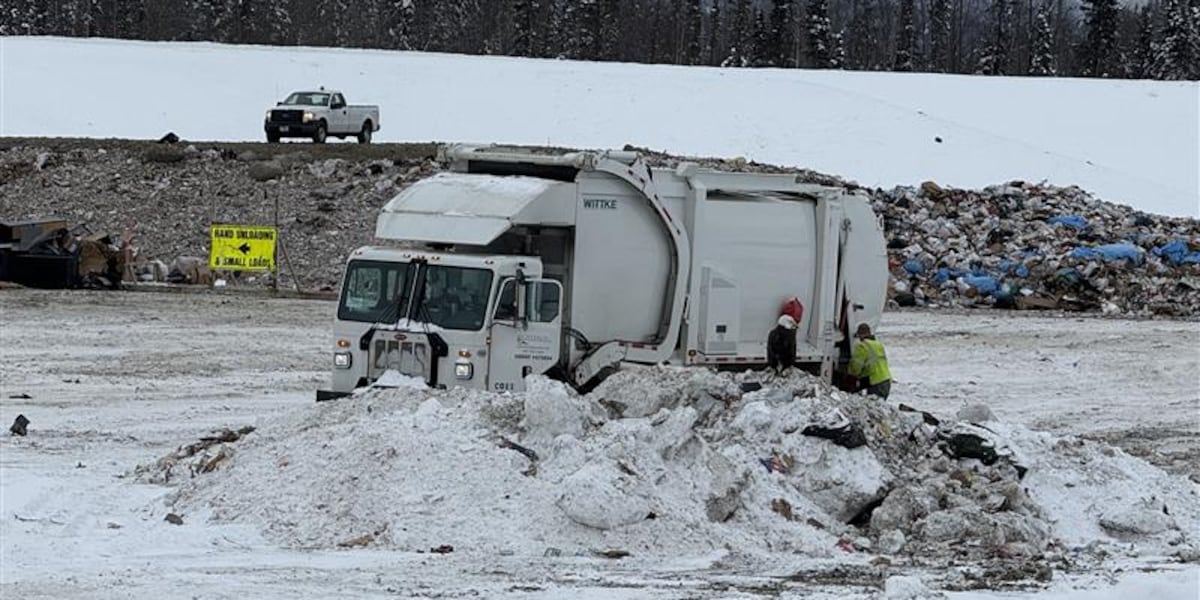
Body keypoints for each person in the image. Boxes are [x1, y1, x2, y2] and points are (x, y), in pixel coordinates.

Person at [848, 323, 892, 399]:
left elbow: (856, 367)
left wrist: (850, 376)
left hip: (875, 383)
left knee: (874, 406)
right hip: (886, 380)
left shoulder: (862, 346)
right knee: (880, 407)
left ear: (860, 335)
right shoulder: (878, 344)